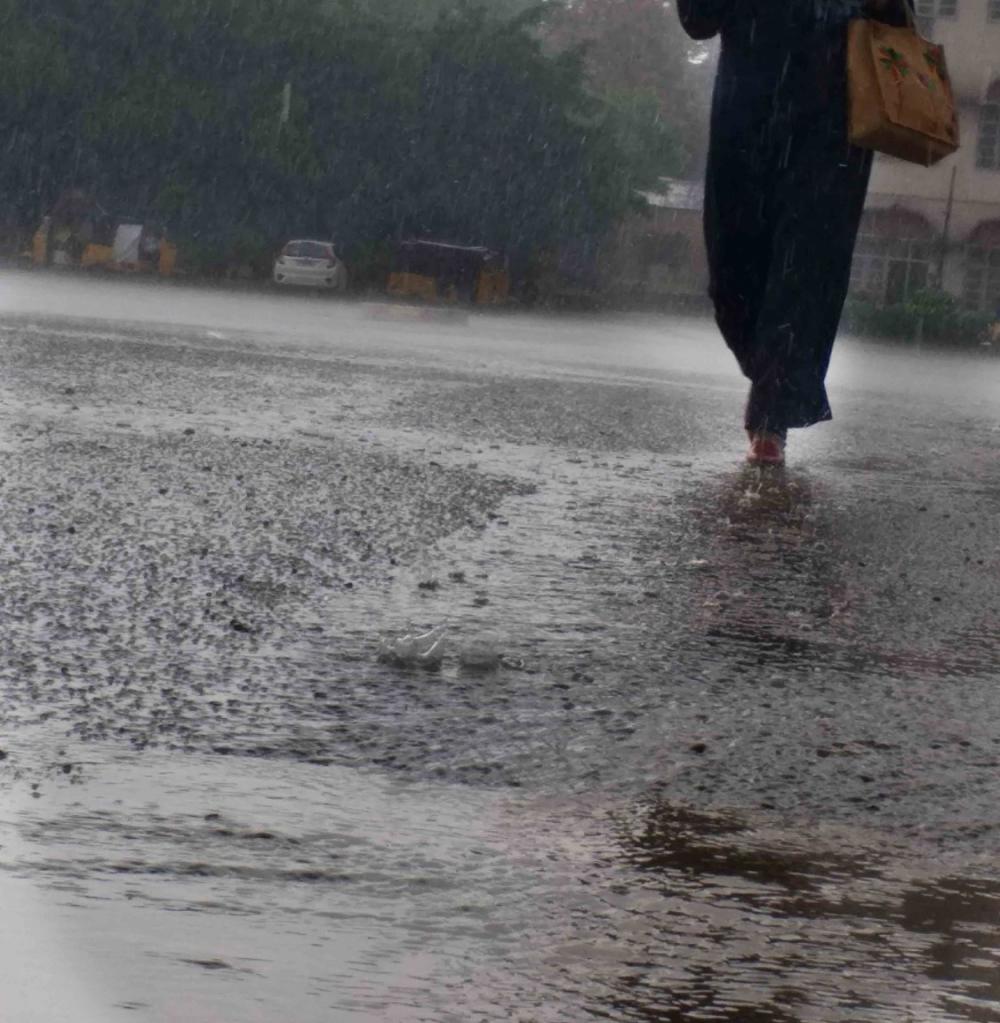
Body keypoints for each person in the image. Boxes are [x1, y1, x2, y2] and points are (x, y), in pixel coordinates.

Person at [678, 0, 910, 465]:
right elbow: (697, 20)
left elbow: (897, 21)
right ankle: (771, 374)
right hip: (745, 117)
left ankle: (771, 413)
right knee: (732, 274)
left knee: (804, 270)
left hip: (833, 125)